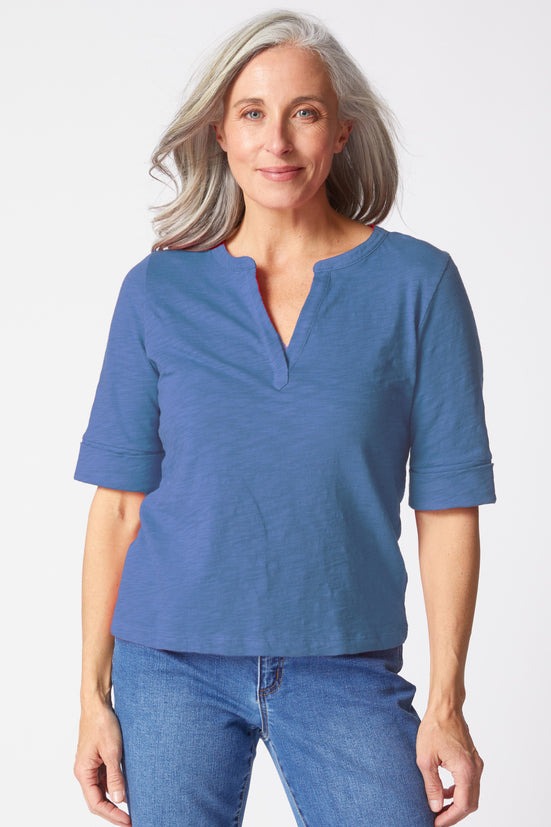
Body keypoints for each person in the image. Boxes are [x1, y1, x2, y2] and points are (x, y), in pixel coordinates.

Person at [72, 9, 496, 827]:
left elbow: (447, 504)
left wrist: (446, 701)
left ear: (339, 132)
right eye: (251, 113)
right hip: (169, 664)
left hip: (344, 659)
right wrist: (93, 696)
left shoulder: (417, 285)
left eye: (303, 112)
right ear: (220, 133)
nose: (277, 141)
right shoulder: (157, 291)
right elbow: (119, 506)